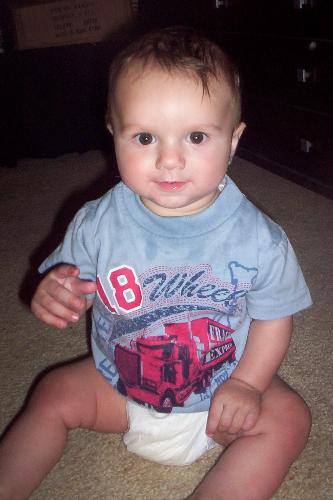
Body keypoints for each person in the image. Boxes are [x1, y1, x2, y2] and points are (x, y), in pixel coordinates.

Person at [0, 26, 312, 499]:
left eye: (195, 137)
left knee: (289, 419)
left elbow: (274, 316)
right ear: (113, 133)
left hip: (219, 400)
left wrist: (249, 384)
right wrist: (52, 290)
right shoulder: (97, 221)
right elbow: (69, 280)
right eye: (145, 137)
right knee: (52, 392)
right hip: (119, 387)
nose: (169, 160)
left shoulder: (260, 240)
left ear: (232, 140)